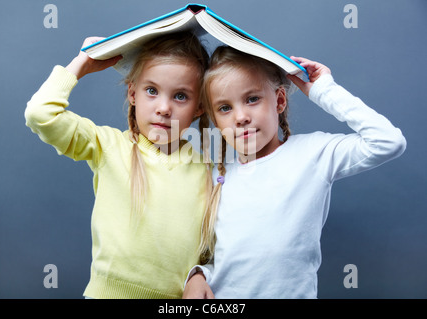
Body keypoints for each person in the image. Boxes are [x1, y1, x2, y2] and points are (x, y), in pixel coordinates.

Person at [183, 46, 406, 299]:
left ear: (279, 100)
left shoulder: (313, 153)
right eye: (225, 108)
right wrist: (198, 274)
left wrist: (323, 90)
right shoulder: (217, 177)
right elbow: (221, 256)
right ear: (215, 119)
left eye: (252, 99)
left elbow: (388, 141)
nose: (241, 117)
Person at [25, 31, 213, 299]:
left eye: (180, 96)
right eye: (152, 91)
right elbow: (40, 113)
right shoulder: (108, 146)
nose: (163, 108)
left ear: (200, 107)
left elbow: (215, 248)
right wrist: (81, 64)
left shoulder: (208, 170)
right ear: (132, 92)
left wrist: (200, 274)